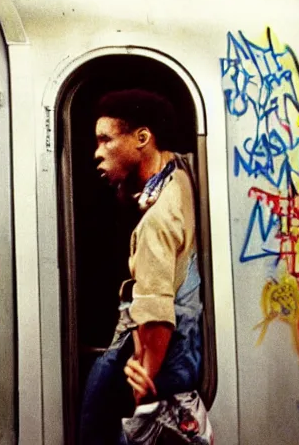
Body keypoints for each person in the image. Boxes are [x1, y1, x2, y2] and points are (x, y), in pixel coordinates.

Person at [79, 89, 203, 444]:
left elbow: (156, 315)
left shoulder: (156, 222)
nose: (97, 153)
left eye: (106, 140)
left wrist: (144, 378)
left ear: (142, 138)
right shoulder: (177, 173)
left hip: (153, 359)